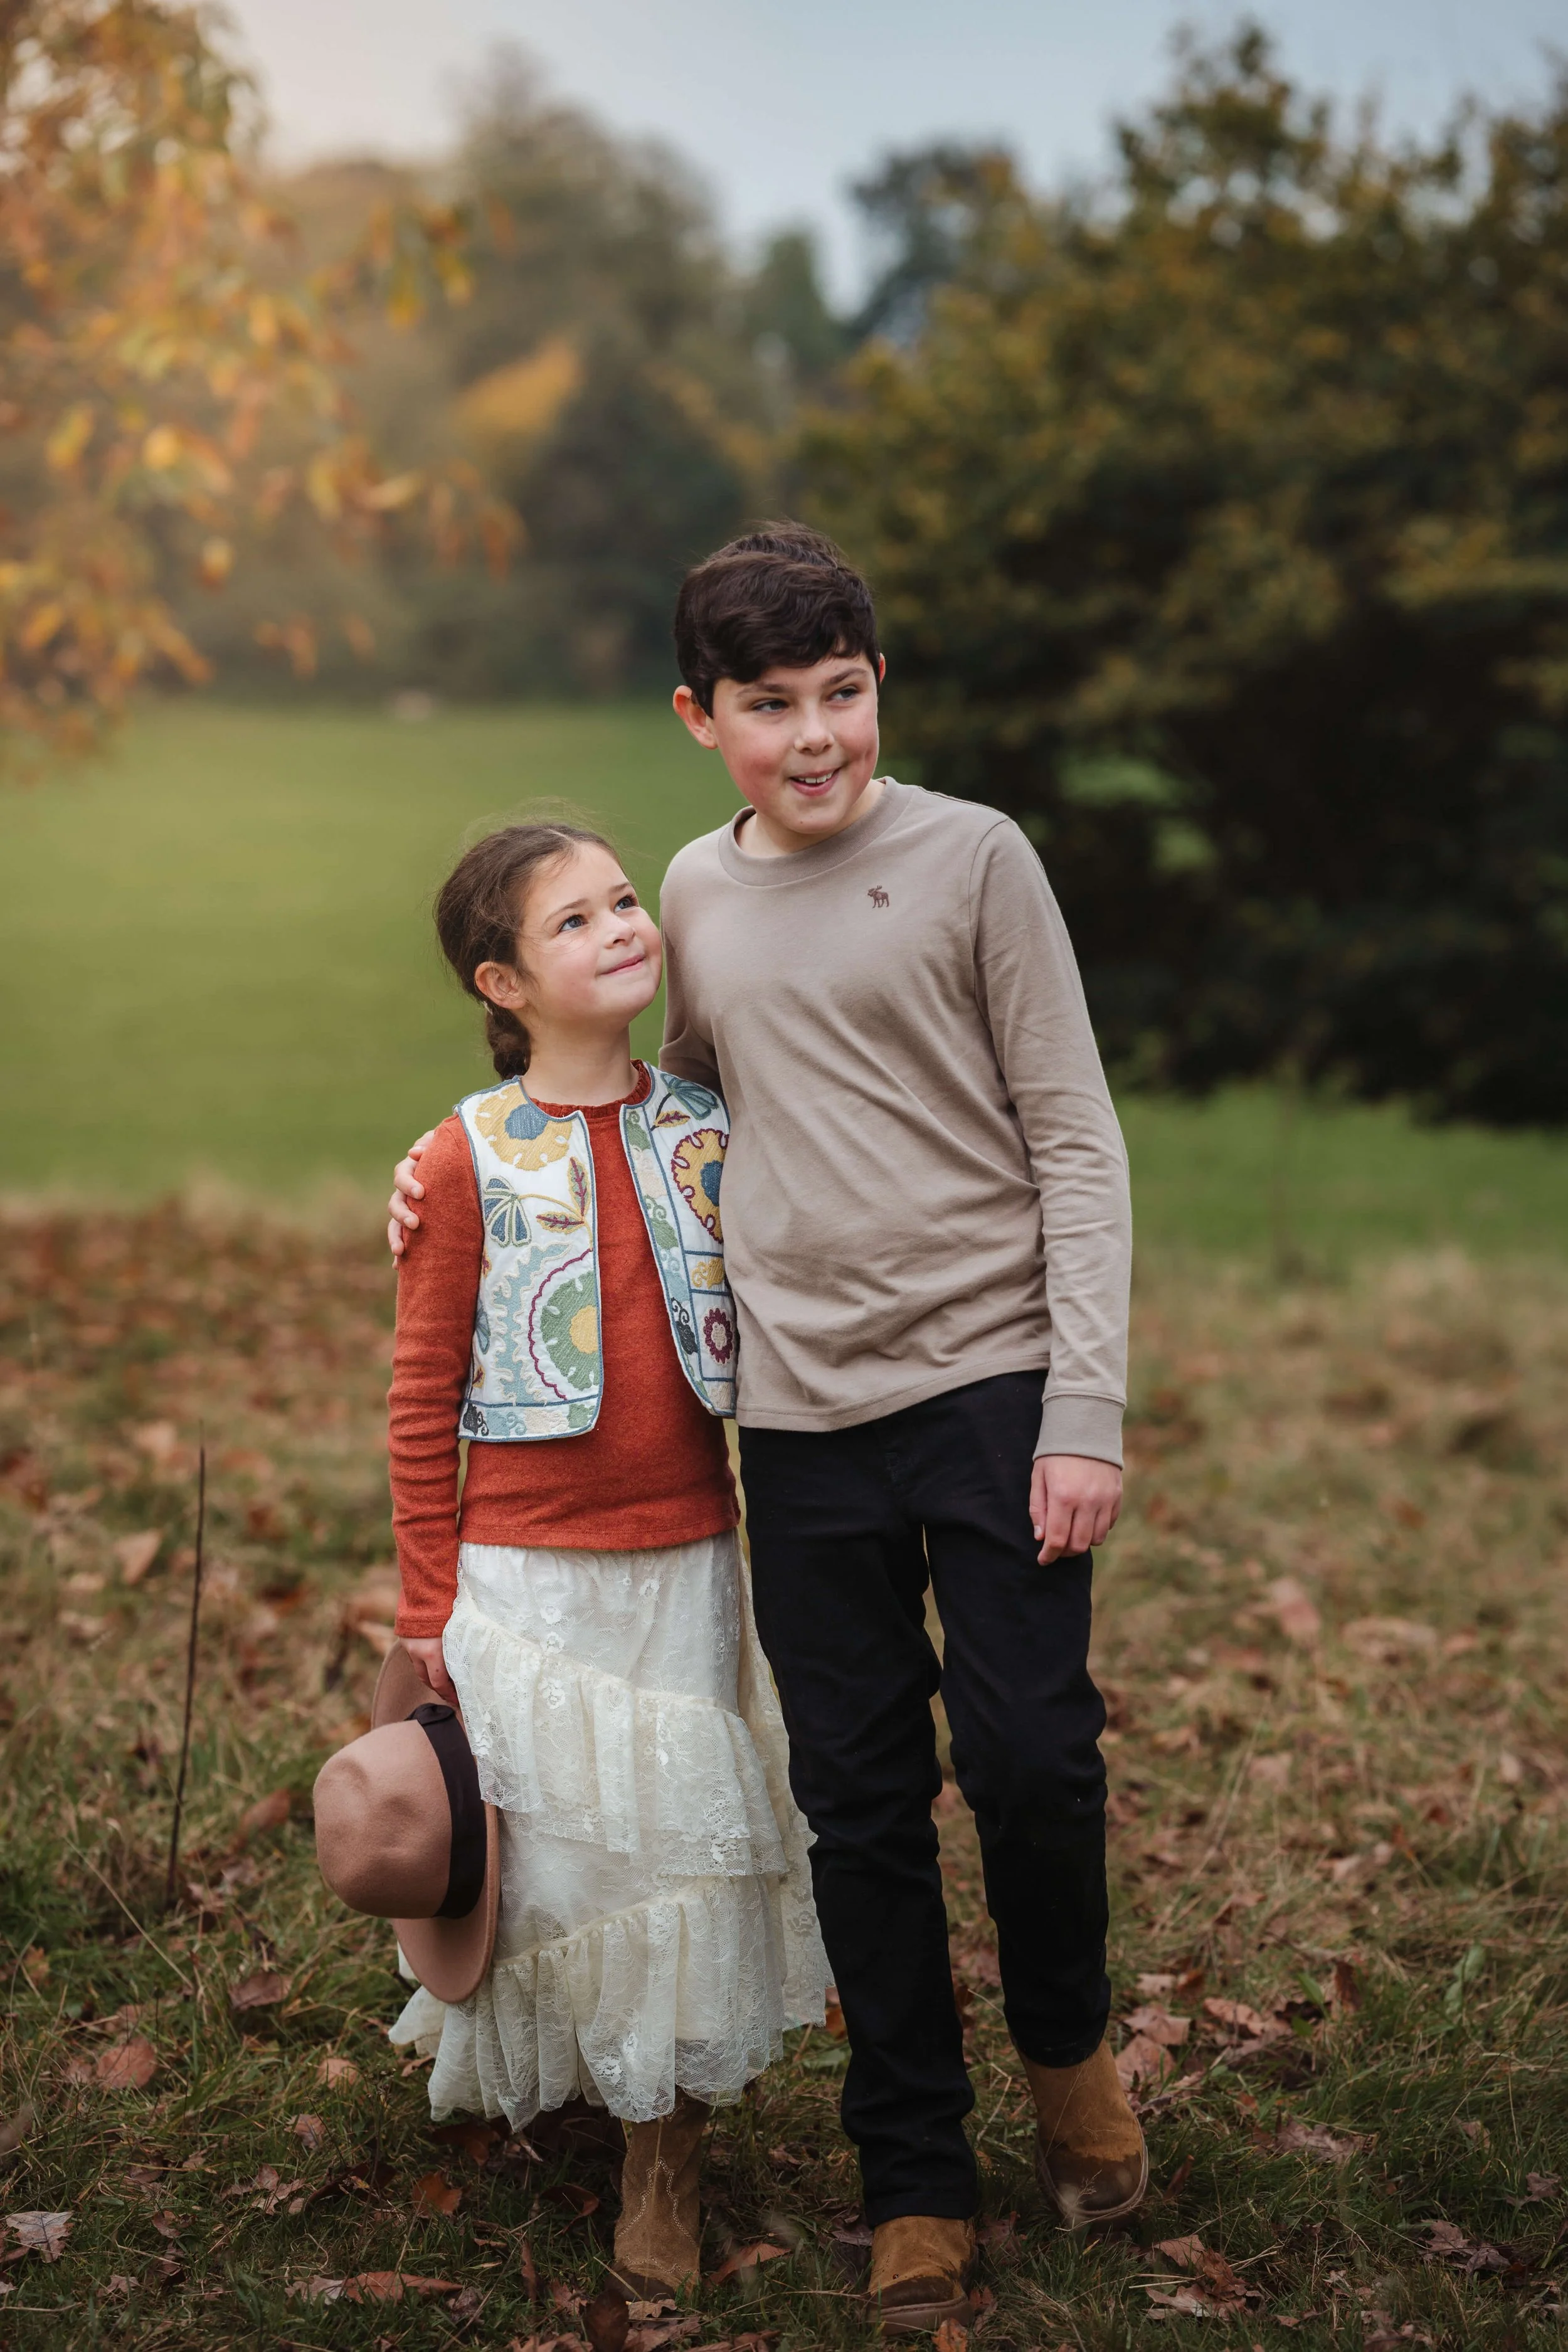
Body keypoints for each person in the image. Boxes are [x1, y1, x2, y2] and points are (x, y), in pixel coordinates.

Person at [390, 530, 1143, 2340]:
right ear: (700, 717)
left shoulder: (976, 856)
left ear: (878, 685)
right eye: (771, 704)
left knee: (1029, 1758)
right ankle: (914, 2177)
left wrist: (1082, 1405)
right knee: (855, 1802)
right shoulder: (690, 893)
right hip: (798, 1420)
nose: (814, 736)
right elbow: (668, 1100)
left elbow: (1074, 1133)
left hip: (989, 1383)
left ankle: (1064, 2047)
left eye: (842, 693)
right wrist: (459, 1166)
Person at [383, 819, 826, 2304]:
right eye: (572, 921)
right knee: (558, 1865)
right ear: (503, 983)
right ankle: (578, 2089)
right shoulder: (462, 1157)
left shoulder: (708, 1128)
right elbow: (418, 1394)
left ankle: (664, 2160)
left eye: (624, 901)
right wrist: (427, 1597)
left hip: (687, 1555)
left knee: (683, 1860)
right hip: (523, 1578)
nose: (621, 927)